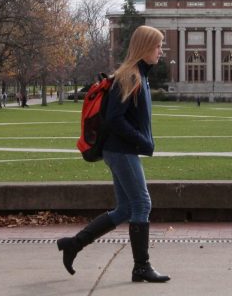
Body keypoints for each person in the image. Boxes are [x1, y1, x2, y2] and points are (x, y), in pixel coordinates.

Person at [56, 25, 170, 283]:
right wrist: (142, 142)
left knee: (125, 208)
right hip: (121, 150)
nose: (160, 51)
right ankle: (141, 267)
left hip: (121, 150)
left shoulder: (140, 74)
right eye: (157, 46)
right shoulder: (129, 76)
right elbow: (114, 120)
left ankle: (73, 245)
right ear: (144, 48)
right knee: (142, 204)